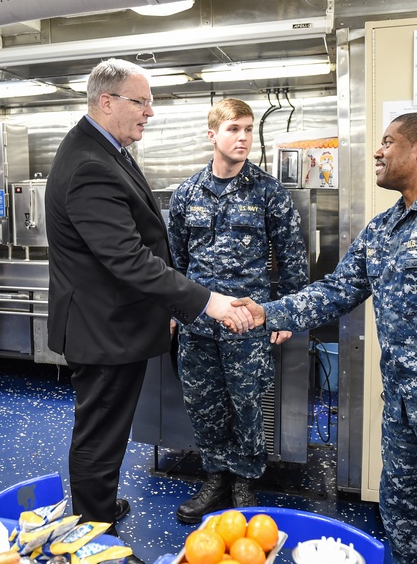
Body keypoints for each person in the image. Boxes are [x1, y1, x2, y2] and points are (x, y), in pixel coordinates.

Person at [236, 112, 417, 564]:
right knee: (403, 522)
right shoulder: (384, 229)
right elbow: (335, 291)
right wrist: (266, 312)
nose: (377, 150)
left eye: (388, 142)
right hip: (403, 411)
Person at [45, 58, 256, 533]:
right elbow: (129, 259)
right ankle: (93, 534)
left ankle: (95, 504)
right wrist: (208, 301)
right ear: (107, 102)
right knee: (100, 434)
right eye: (141, 102)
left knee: (108, 431)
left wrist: (165, 306)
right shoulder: (88, 165)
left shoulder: (107, 151)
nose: (150, 112)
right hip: (103, 329)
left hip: (117, 322)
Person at [167, 98, 308, 523]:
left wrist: (283, 315)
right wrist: (175, 312)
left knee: (246, 403)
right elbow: (175, 261)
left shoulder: (268, 192)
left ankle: (245, 479)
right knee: (203, 404)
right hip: (198, 324)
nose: (244, 137)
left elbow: (292, 257)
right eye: (233, 129)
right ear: (213, 135)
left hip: (247, 326)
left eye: (248, 129)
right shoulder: (187, 193)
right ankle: (216, 477)